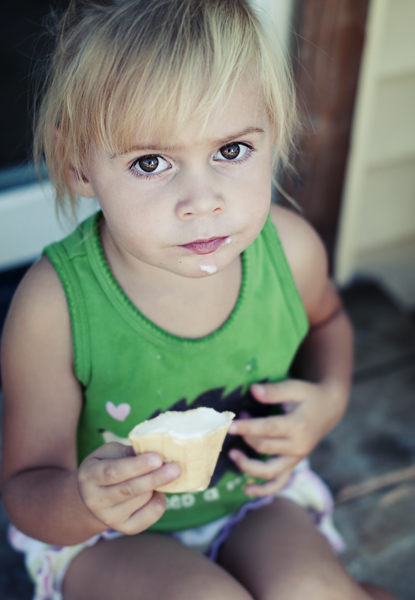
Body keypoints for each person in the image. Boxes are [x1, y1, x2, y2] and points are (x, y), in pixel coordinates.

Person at [0, 1, 397, 599]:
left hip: (253, 500)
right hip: (109, 538)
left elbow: (329, 321)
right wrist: (86, 497)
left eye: (231, 151)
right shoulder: (53, 309)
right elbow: (29, 492)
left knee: (314, 592)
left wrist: (328, 401)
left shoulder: (290, 255)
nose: (202, 200)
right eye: (151, 162)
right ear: (79, 163)